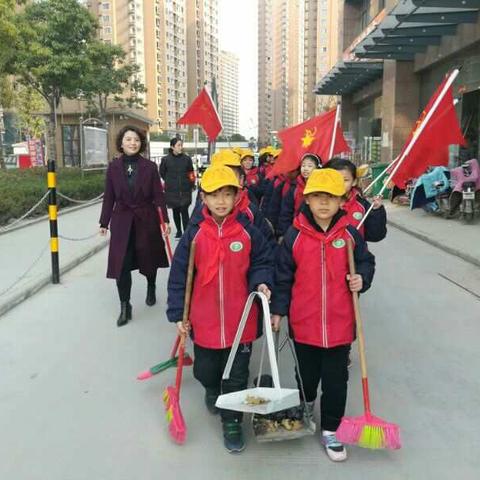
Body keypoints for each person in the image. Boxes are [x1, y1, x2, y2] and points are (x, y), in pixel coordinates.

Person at [167, 165, 274, 454]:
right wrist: (179, 314)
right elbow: (179, 277)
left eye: (228, 194)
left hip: (242, 321)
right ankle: (212, 388)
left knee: (237, 376)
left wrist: (262, 282)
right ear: (203, 198)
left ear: (238, 196)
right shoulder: (195, 235)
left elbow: (263, 261)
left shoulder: (249, 231)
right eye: (214, 195)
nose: (221, 201)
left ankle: (232, 422)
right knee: (205, 370)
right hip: (204, 320)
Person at [270, 169, 375, 462]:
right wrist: (279, 310)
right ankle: (307, 402)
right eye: (318, 197)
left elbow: (366, 263)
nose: (324, 203)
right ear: (308, 199)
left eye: (331, 197)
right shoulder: (294, 236)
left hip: (340, 325)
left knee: (336, 381)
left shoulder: (350, 235)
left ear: (342, 201)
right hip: (304, 324)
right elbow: (283, 277)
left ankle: (331, 427)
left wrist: (361, 279)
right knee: (306, 374)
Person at [99, 125, 170, 327]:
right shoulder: (113, 168)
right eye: (129, 139)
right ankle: (125, 305)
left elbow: (158, 195)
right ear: (121, 143)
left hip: (146, 219)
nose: (133, 143)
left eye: (137, 140)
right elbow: (109, 197)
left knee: (149, 258)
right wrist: (104, 222)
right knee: (121, 265)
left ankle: (151, 284)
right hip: (121, 222)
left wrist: (164, 219)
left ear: (141, 143)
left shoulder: (150, 167)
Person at [323, 157, 387, 242]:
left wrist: (377, 211)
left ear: (354, 182)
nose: (339, 183)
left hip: (355, 254)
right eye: (334, 179)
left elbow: (375, 236)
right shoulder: (317, 203)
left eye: (345, 180)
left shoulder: (362, 205)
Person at [277, 153, 321, 237]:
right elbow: (286, 213)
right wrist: (284, 233)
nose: (305, 169)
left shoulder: (322, 188)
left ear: (318, 168)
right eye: (303, 165)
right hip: (296, 229)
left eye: (310, 166)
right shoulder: (294, 188)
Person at [160, 137, 195, 239]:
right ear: (172, 147)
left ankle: (186, 233)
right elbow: (162, 173)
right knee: (175, 211)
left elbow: (191, 173)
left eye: (181, 145)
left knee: (184, 211)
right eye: (178, 145)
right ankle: (179, 231)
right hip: (172, 191)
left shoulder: (187, 159)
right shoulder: (165, 160)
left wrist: (192, 184)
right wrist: (170, 182)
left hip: (185, 190)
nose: (181, 147)